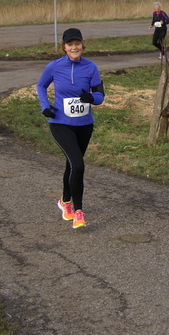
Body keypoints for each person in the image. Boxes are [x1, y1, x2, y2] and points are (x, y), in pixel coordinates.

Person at [36, 28, 105, 229]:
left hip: (84, 125)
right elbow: (41, 86)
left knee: (72, 165)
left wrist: (91, 98)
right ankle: (78, 211)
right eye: (70, 44)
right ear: (64, 47)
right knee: (79, 165)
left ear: (82, 45)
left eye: (77, 43)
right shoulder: (55, 66)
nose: (74, 47)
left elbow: (100, 95)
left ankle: (65, 201)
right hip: (60, 123)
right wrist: (45, 106)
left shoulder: (91, 67)